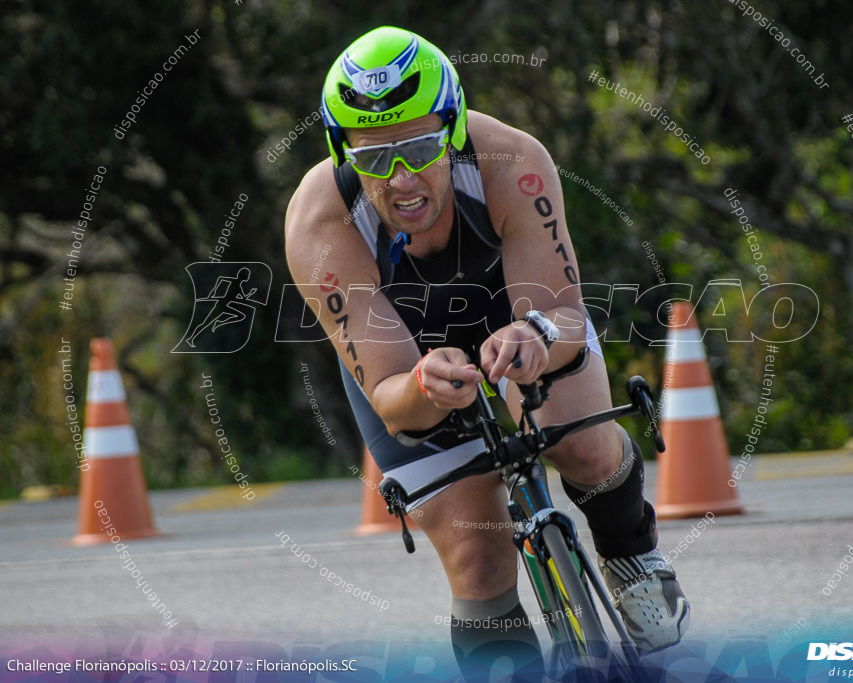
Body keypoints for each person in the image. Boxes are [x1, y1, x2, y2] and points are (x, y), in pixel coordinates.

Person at [285, 26, 689, 678]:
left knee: (578, 442)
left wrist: (535, 337)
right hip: (408, 362)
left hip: (522, 315)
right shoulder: (318, 221)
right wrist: (422, 383)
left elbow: (561, 309)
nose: (400, 176)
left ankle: (629, 550)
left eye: (419, 147)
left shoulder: (511, 162)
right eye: (372, 157)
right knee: (478, 559)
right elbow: (392, 399)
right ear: (341, 152)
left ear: (452, 128)